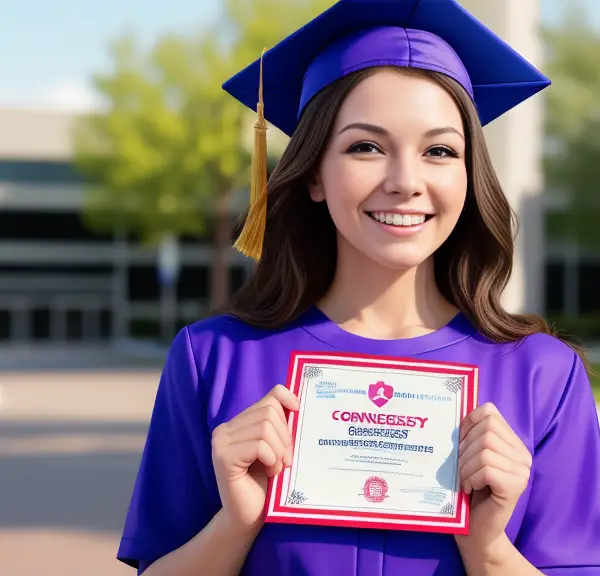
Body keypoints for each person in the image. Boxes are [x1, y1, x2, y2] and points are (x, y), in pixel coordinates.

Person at [117, 0, 600, 574]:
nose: (405, 182)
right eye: (365, 147)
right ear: (315, 172)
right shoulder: (214, 359)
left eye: (440, 151)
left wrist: (489, 550)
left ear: (468, 178)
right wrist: (236, 525)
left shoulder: (542, 376)